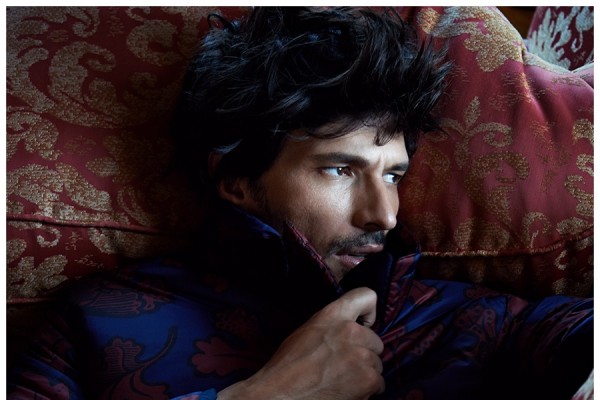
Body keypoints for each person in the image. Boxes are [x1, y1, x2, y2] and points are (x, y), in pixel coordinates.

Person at [7, 7, 592, 400]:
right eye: (341, 169)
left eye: (394, 175)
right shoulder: (94, 320)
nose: (384, 215)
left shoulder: (472, 317)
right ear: (237, 180)